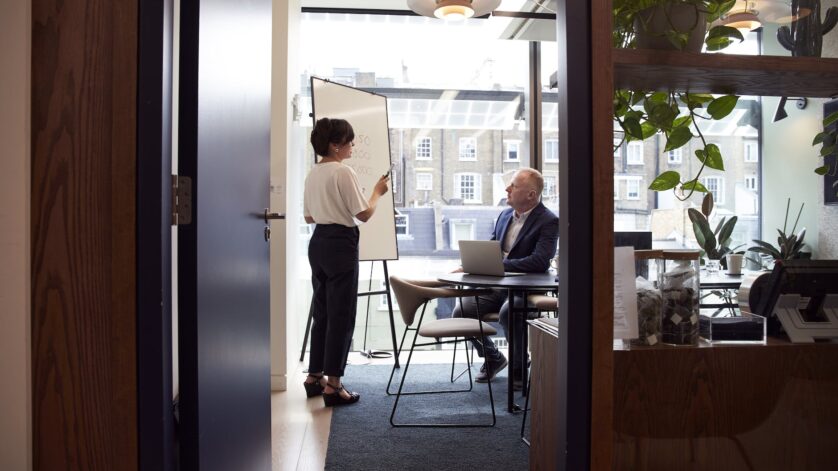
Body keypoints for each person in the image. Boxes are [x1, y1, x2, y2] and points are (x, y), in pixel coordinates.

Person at [302, 117, 389, 407]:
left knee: (323, 311)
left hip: (318, 242)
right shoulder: (342, 172)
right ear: (335, 145)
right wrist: (377, 192)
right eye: (349, 141)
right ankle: (334, 385)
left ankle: (315, 377)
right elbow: (363, 214)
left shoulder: (313, 173)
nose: (352, 145)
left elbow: (309, 217)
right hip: (340, 243)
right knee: (342, 313)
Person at [452, 168, 558, 388]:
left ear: (530, 194)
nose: (507, 189)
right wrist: (471, 265)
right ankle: (493, 357)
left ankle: (519, 366)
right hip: (498, 286)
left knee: (508, 312)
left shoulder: (548, 221)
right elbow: (491, 249)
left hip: (526, 289)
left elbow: (539, 261)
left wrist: (500, 265)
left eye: (514, 186)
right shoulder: (503, 216)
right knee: (462, 311)